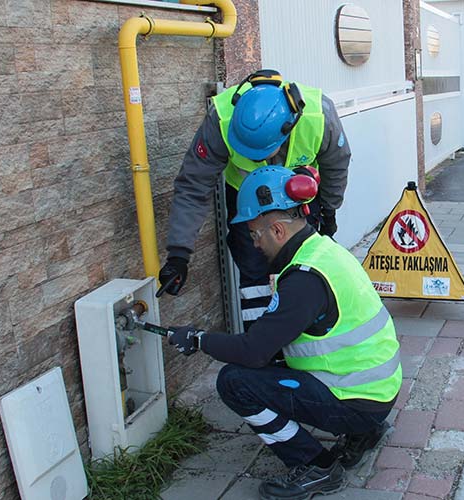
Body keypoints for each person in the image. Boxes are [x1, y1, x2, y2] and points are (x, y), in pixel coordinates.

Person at [167, 165, 400, 500]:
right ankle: (364, 432)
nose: (254, 244)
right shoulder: (323, 250)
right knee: (267, 364)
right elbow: (275, 341)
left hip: (358, 402)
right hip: (376, 392)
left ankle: (317, 467)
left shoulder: (304, 279)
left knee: (234, 381)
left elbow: (252, 351)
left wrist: (199, 339)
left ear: (277, 230)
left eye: (254, 235)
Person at [158, 70, 351, 331]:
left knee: (303, 267)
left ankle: (304, 336)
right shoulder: (221, 120)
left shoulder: (320, 115)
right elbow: (193, 185)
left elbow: (336, 165)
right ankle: (261, 347)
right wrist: (178, 255)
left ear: (288, 129)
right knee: (254, 274)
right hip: (247, 205)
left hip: (298, 195)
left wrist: (328, 212)